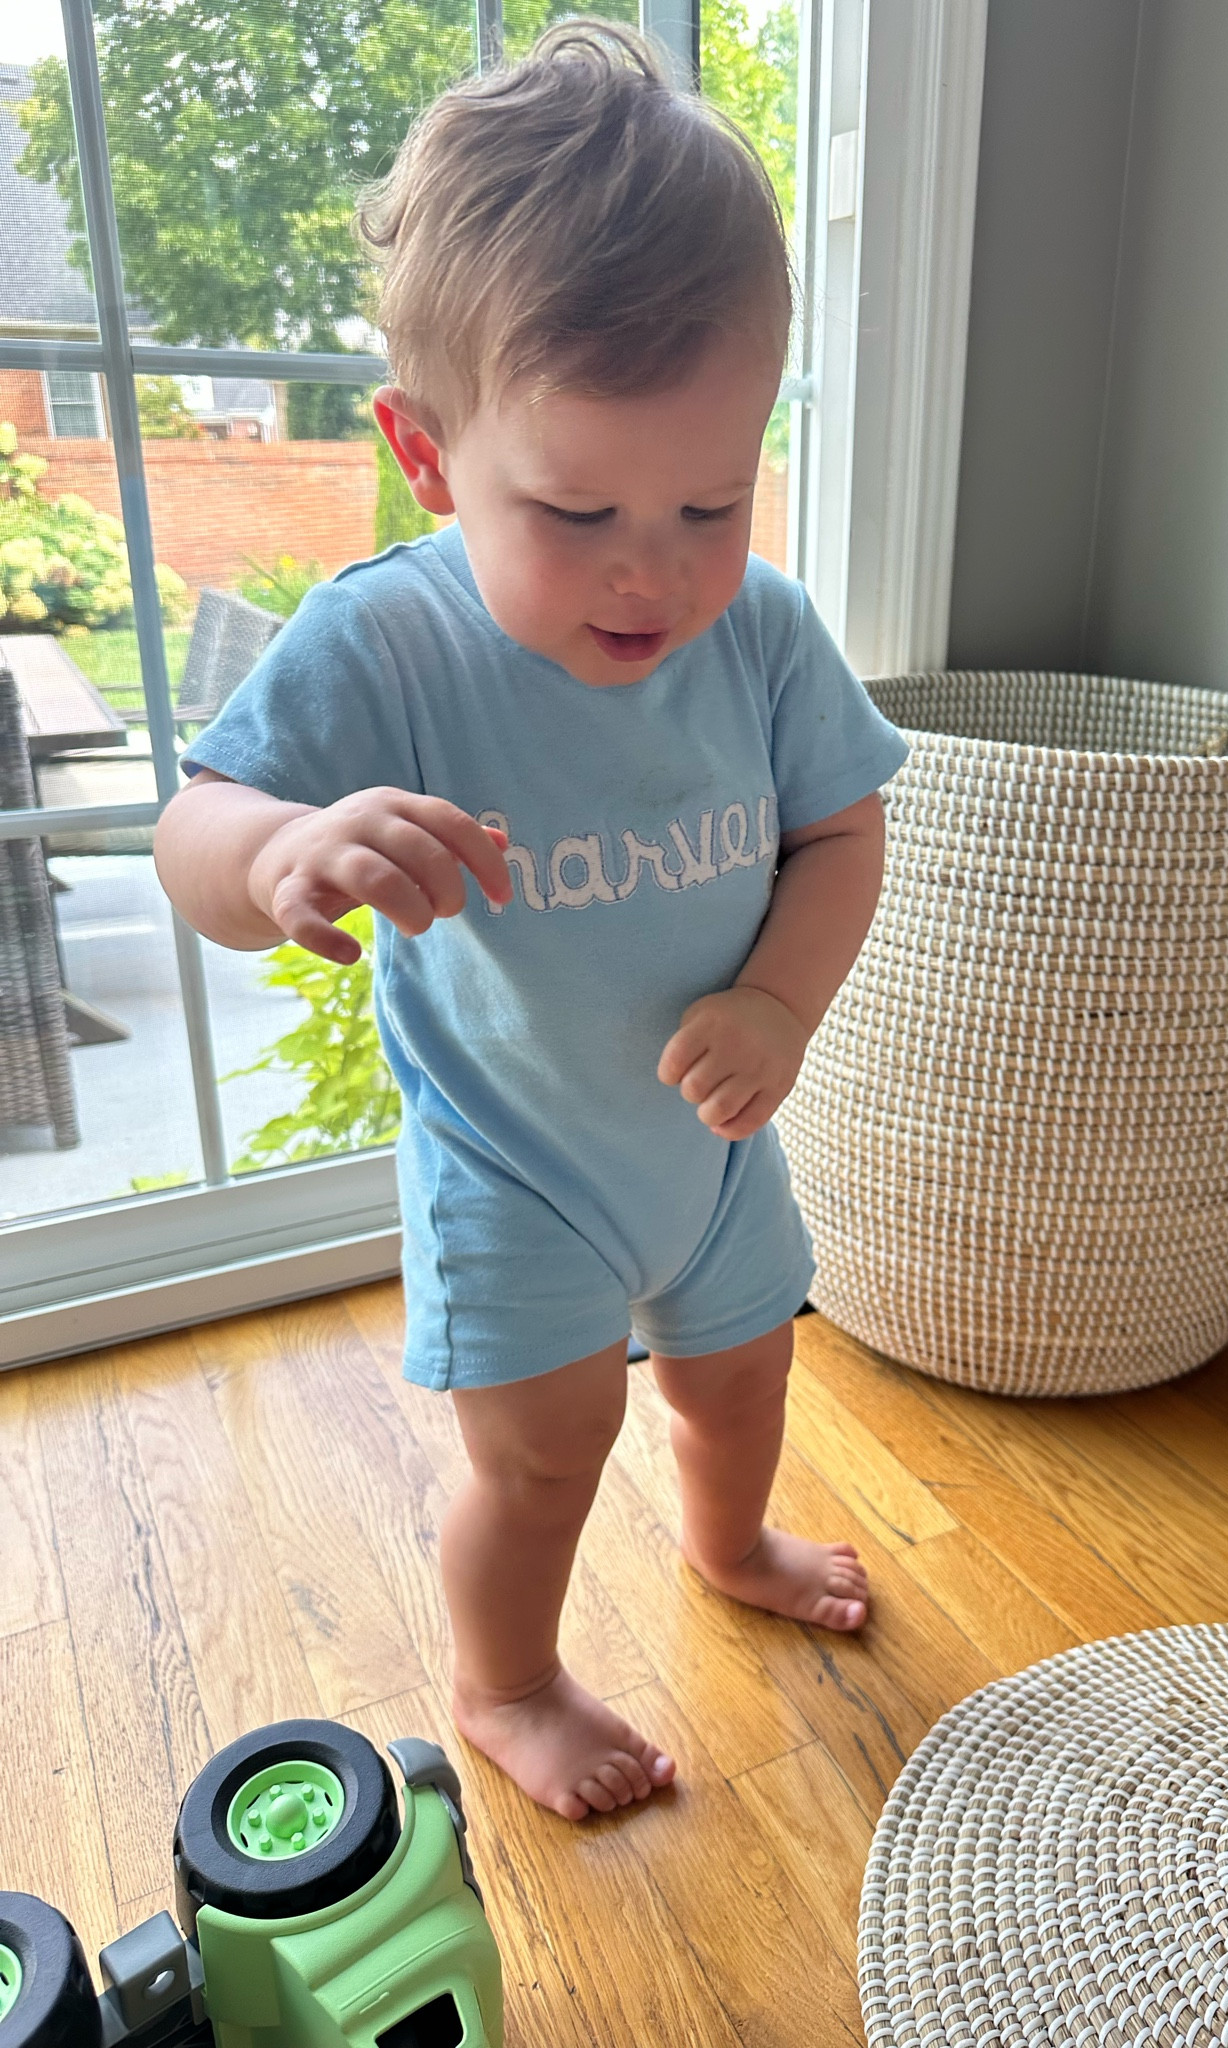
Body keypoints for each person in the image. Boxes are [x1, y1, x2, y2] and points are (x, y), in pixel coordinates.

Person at [154, 20, 908, 1824]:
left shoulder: (762, 630)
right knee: (547, 1455)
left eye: (711, 500)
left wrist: (783, 1004)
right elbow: (194, 834)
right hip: (516, 1162)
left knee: (743, 1380)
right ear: (427, 457)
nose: (656, 566)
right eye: (578, 510)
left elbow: (843, 832)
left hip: (713, 1146)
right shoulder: (390, 642)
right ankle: (506, 1683)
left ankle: (729, 1543)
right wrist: (280, 854)